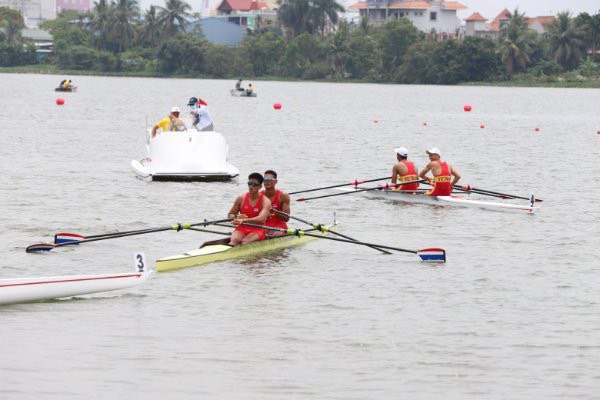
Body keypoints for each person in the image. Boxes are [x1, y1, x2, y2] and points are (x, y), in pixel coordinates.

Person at [227, 172, 272, 245]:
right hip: (242, 228)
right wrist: (236, 217)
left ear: (260, 186)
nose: (251, 186)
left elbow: (261, 219)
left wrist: (243, 220)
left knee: (245, 241)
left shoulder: (265, 201)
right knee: (234, 241)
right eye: (249, 184)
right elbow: (230, 214)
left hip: (258, 229)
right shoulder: (241, 198)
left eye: (254, 184)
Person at [261, 170, 290, 234]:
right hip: (263, 226)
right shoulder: (258, 195)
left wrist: (272, 212)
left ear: (276, 181)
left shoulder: (283, 196)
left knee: (274, 233)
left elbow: (286, 218)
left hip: (279, 227)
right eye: (265, 179)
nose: (267, 181)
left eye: (269, 179)